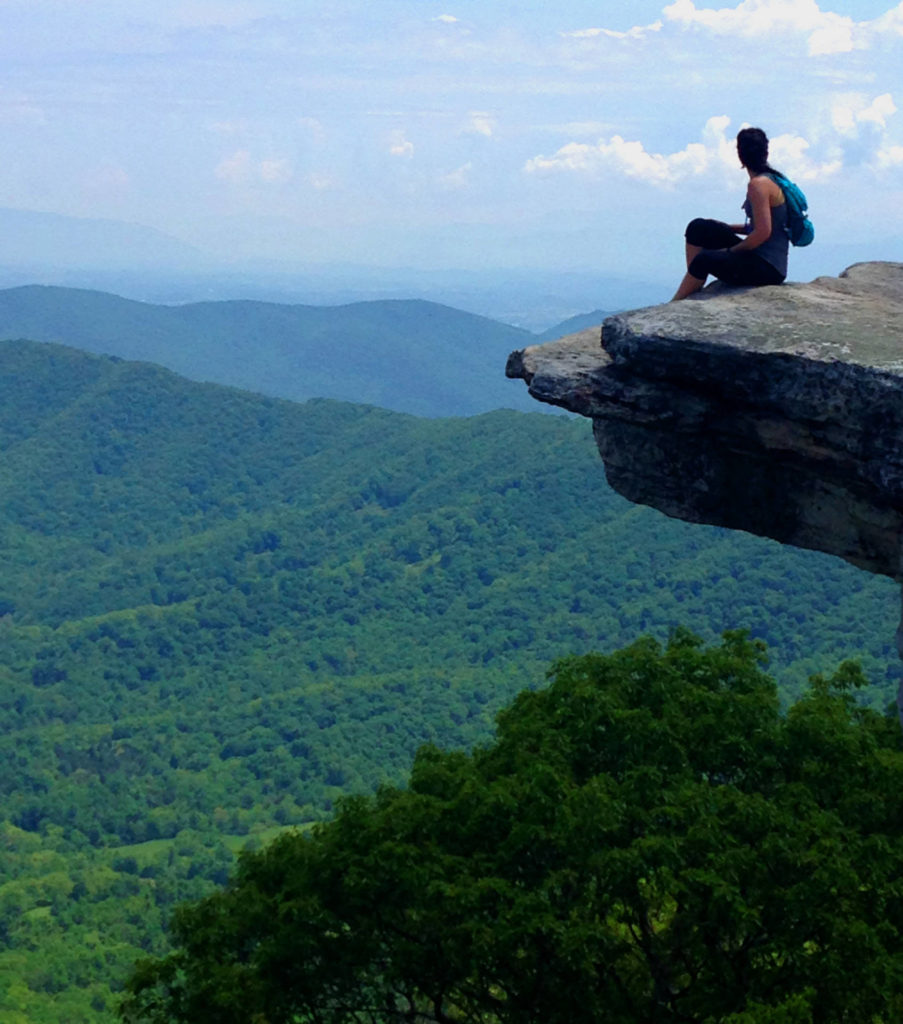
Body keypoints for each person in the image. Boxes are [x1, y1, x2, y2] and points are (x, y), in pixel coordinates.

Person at [672, 127, 789, 301]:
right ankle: (695, 285)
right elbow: (761, 227)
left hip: (767, 270)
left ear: (740, 155)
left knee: (704, 259)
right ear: (765, 152)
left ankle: (678, 302)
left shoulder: (759, 185)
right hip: (765, 261)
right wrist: (726, 228)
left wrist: (730, 251)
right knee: (699, 227)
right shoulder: (772, 180)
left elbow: (763, 233)